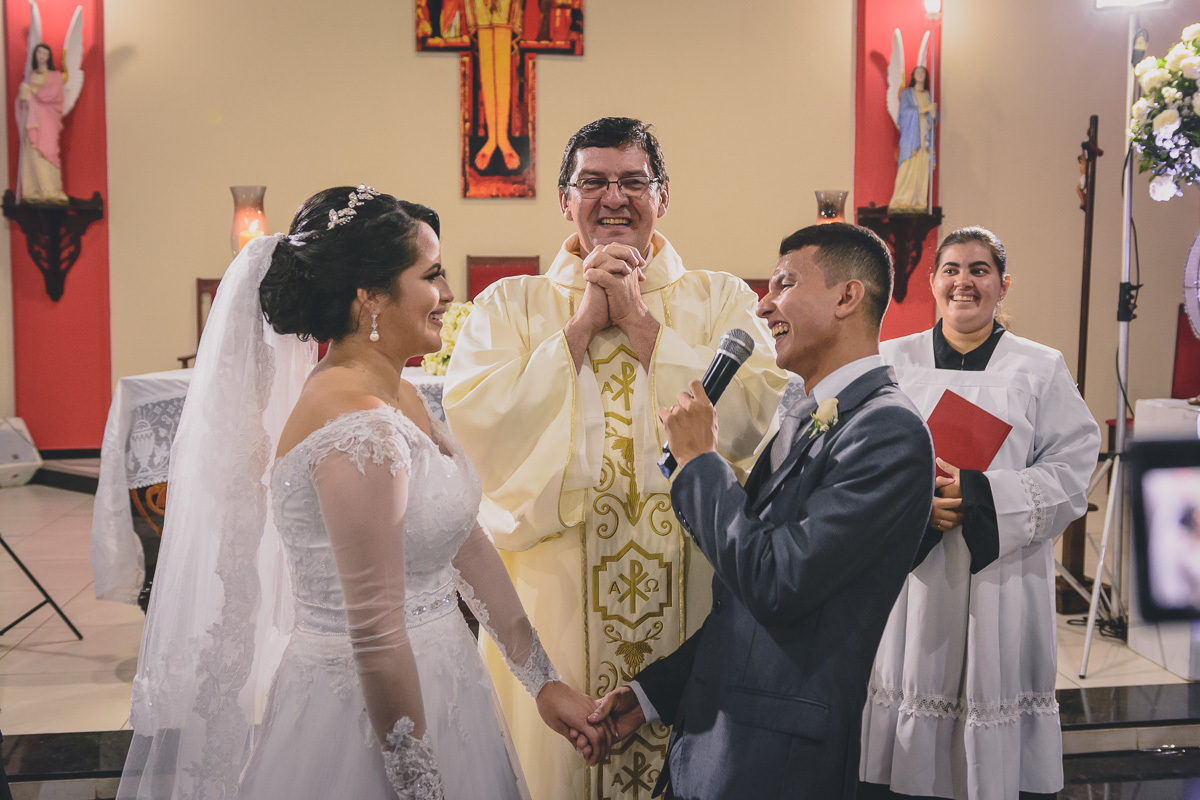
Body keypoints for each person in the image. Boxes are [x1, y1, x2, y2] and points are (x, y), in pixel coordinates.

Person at [115, 186, 610, 800]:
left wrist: (543, 682)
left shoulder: (397, 394)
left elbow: (463, 539)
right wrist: (419, 783)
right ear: (370, 297)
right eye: (430, 276)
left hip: (442, 678)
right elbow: (377, 633)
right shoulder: (358, 426)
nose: (448, 294)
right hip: (371, 711)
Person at [443, 117, 786, 798]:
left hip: (691, 614)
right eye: (593, 182)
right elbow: (476, 433)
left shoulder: (721, 299)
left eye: (634, 181)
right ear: (563, 200)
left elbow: (757, 419)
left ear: (664, 195)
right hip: (555, 620)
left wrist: (637, 323)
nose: (614, 198)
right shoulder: (512, 304)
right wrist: (578, 331)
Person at [589, 222, 936, 798]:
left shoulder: (888, 433)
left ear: (848, 296)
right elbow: (743, 608)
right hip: (718, 739)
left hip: (776, 762)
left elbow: (778, 582)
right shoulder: (806, 416)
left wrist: (701, 461)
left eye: (785, 282)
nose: (765, 302)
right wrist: (655, 693)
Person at [858, 226, 1102, 800]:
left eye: (979, 270)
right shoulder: (891, 360)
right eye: (951, 270)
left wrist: (982, 494)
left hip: (1000, 570)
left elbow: (1070, 468)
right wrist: (915, 503)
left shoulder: (1040, 368)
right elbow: (862, 455)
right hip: (913, 568)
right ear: (932, 282)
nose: (963, 282)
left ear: (1003, 285)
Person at [18, 43, 68, 203]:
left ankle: (51, 190)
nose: (41, 56)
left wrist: (32, 91)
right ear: (35, 55)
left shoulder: (55, 76)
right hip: (33, 120)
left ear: (49, 56)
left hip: (48, 119)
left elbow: (53, 95)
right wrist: (24, 93)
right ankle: (35, 189)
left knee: (50, 151)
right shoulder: (31, 76)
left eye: (45, 53)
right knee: (33, 152)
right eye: (39, 53)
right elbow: (22, 102)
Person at [887, 65, 937, 213]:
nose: (920, 75)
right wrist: (925, 109)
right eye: (917, 72)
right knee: (907, 167)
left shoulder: (928, 95)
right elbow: (904, 113)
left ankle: (918, 201)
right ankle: (901, 200)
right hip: (911, 138)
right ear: (913, 75)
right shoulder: (907, 94)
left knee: (921, 168)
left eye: (923, 72)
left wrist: (933, 115)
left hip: (924, 140)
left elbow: (933, 120)